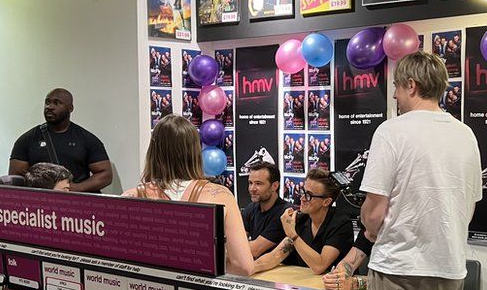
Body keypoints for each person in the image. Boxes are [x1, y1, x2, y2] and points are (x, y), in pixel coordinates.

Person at [325, 52, 481, 290]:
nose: (395, 95)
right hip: (450, 270)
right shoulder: (466, 134)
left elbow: (374, 212)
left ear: (411, 85)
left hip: (398, 269)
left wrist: (370, 228)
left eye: (397, 86)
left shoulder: (391, 131)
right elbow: (469, 207)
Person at [123, 115, 274, 276]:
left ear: (154, 151)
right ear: (195, 150)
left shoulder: (130, 197)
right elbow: (243, 266)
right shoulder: (220, 196)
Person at [9, 88, 112, 193]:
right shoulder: (26, 140)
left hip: (76, 202)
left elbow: (105, 174)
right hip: (40, 203)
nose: (49, 107)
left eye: (56, 103)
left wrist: (77, 188)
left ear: (70, 108)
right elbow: (16, 177)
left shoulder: (86, 139)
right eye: (47, 102)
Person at [256, 168, 353, 275]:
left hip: (333, 286)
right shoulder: (301, 219)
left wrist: (293, 235)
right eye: (303, 192)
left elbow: (319, 266)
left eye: (309, 195)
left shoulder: (341, 224)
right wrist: (249, 269)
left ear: (326, 202)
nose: (302, 198)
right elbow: (275, 256)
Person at [241, 161, 288, 258]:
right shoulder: (250, 208)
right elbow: (238, 241)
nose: (252, 189)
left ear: (274, 186)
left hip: (280, 269)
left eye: (258, 184)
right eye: (250, 183)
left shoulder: (284, 213)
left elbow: (255, 250)